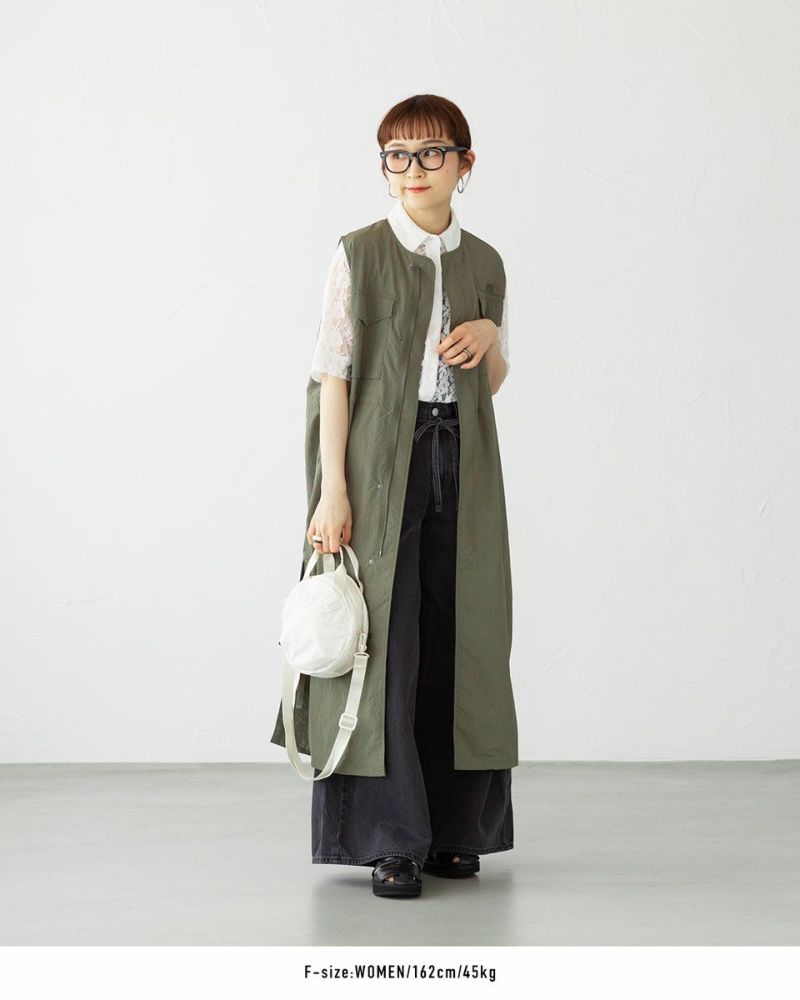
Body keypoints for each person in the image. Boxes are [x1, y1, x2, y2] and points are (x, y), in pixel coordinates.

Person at [289, 94, 517, 899]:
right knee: (385, 641)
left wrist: (491, 338)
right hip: (379, 461)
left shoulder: (485, 261)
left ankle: (455, 831)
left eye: (431, 153)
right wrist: (332, 491)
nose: (413, 169)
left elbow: (491, 381)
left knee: (463, 636)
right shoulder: (359, 251)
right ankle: (389, 838)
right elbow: (333, 376)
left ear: (465, 163)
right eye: (397, 155)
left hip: (464, 455)